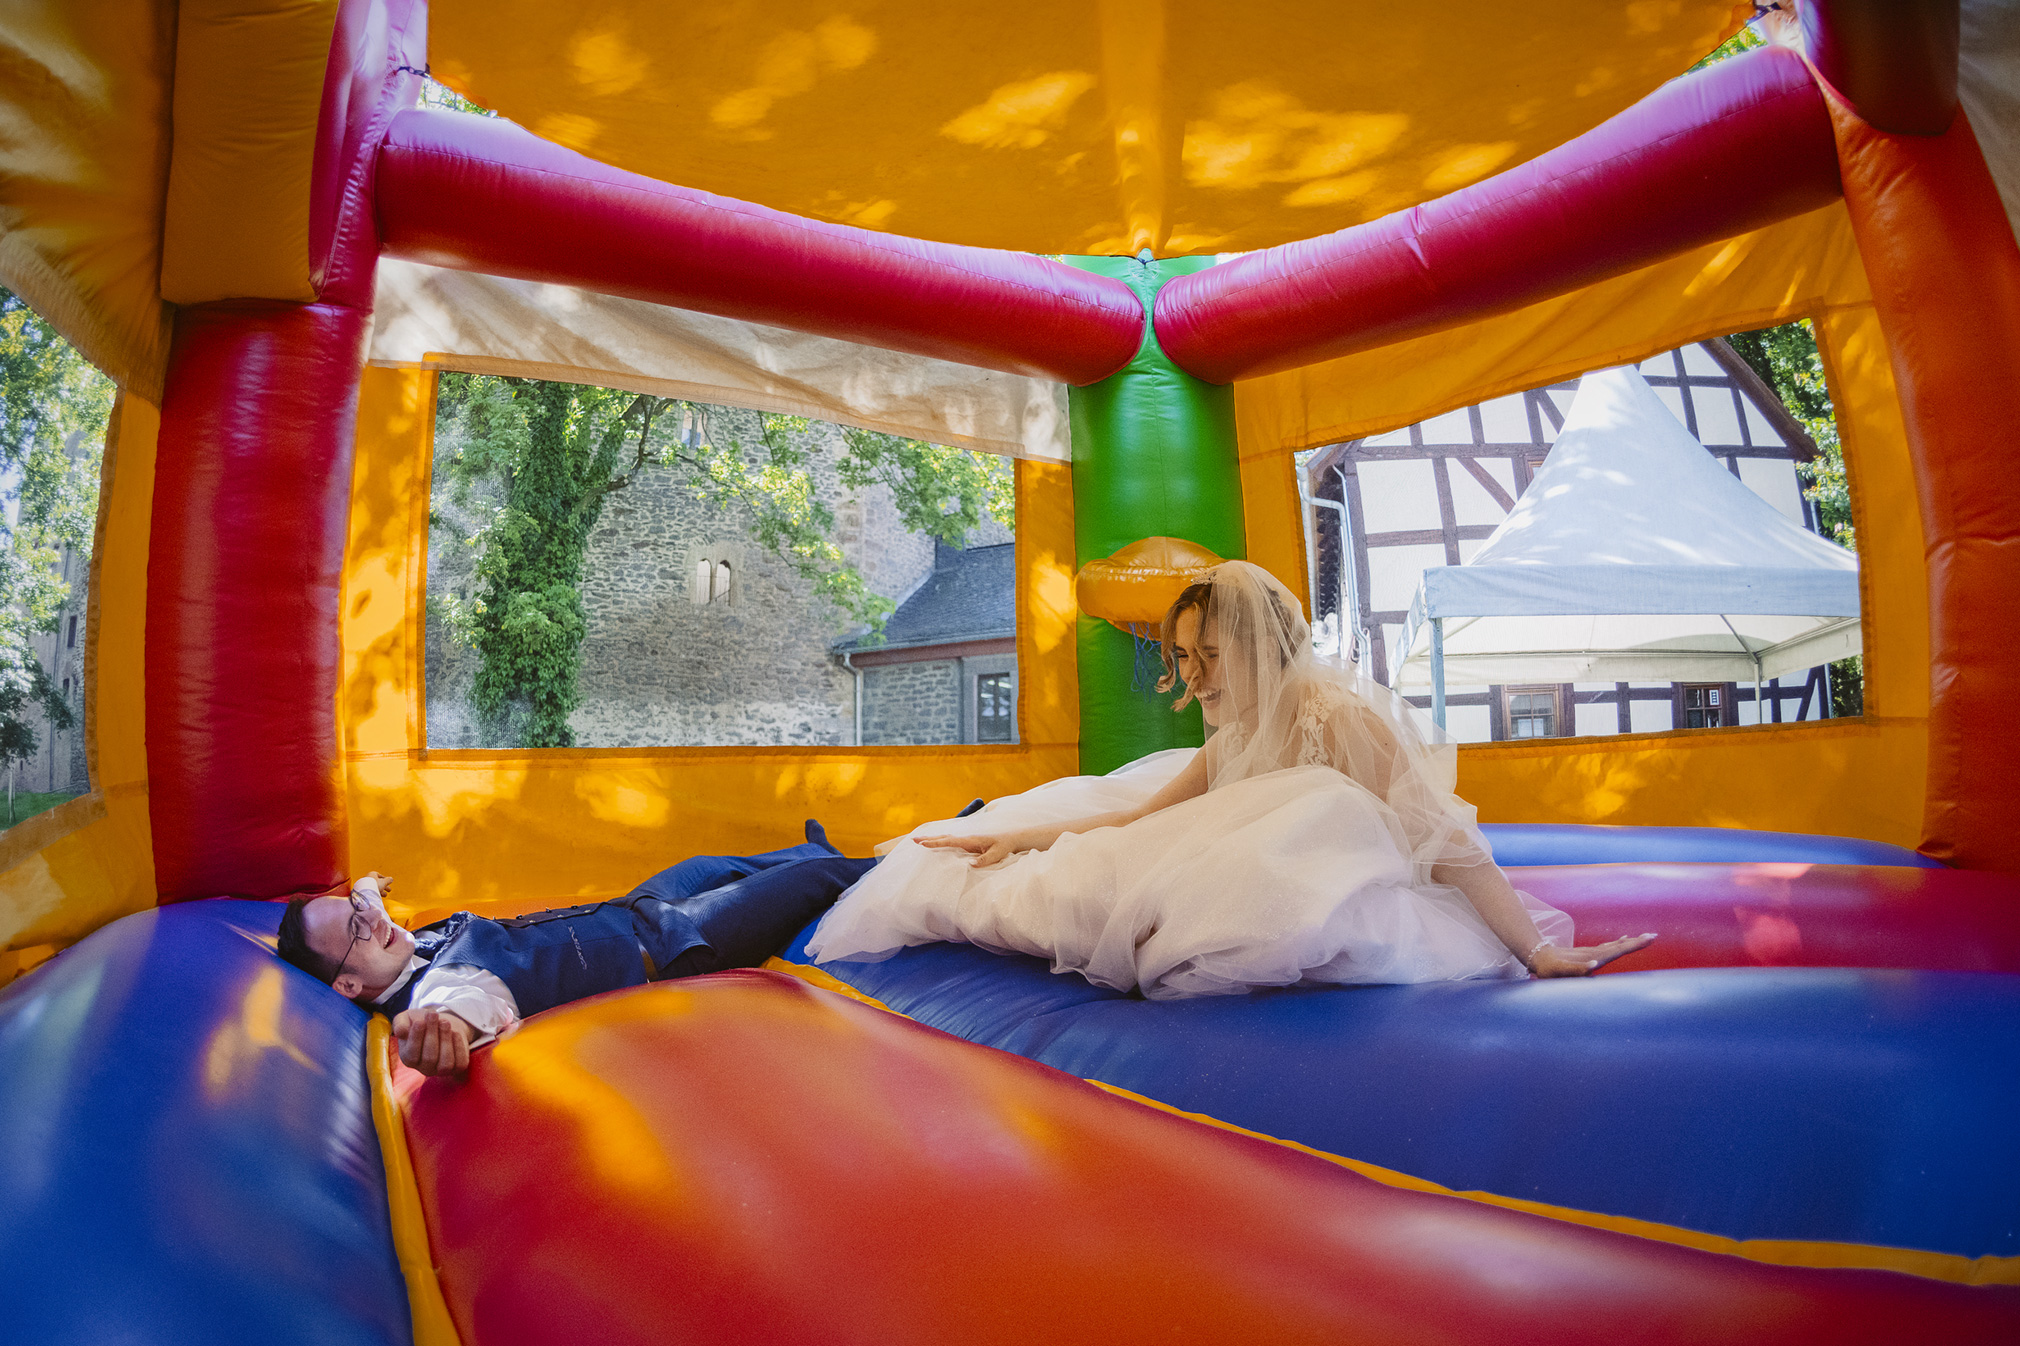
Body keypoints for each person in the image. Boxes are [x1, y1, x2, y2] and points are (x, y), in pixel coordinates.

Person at [806, 561, 1655, 998]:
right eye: (1184, 657)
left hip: (1336, 880)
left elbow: (1446, 835)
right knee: (1065, 852)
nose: (1198, 677)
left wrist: (1536, 951)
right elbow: (1143, 816)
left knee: (1306, 814)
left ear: (1264, 644)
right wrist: (1012, 838)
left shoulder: (1333, 715)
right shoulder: (1238, 727)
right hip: (1251, 851)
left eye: (1213, 654)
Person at [277, 823, 873, 1076]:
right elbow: (468, 1006)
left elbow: (362, 904)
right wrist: (445, 1030)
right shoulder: (440, 984)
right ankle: (920, 849)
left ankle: (808, 847)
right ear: (347, 987)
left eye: (364, 912)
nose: (370, 921)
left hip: (633, 909)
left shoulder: (389, 943)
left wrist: (364, 896)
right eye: (356, 929)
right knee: (810, 886)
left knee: (714, 865)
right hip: (671, 945)